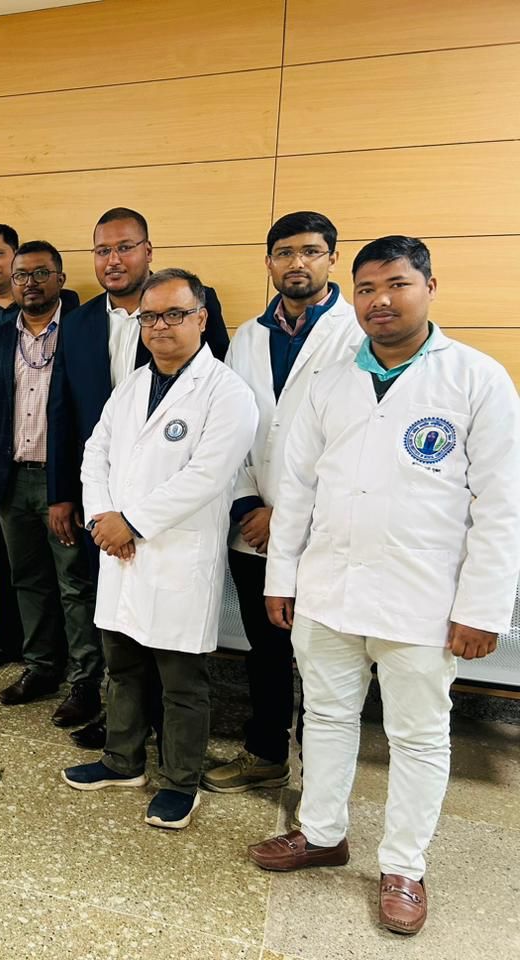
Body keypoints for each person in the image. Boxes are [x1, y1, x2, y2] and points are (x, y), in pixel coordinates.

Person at [251, 237, 520, 936]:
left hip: (423, 600)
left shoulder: (476, 378)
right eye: (367, 288)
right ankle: (321, 833)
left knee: (419, 736)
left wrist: (483, 607)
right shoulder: (329, 380)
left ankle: (404, 866)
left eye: (397, 284)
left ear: (429, 286)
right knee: (327, 716)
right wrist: (283, 577)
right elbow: (296, 491)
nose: (380, 301)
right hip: (328, 588)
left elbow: (501, 506)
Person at [61, 268, 257, 831]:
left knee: (181, 682)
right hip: (118, 548)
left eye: (175, 314)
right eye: (150, 316)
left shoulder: (227, 393)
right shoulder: (132, 385)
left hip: (176, 556)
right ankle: (122, 762)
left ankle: (179, 782)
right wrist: (103, 518)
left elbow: (207, 477)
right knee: (122, 666)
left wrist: (132, 523)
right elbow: (94, 453)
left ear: (201, 317)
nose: (161, 326)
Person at [49, 206, 231, 750]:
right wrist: (78, 500)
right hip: (104, 500)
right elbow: (69, 415)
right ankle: (118, 721)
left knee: (167, 639)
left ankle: (159, 731)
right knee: (114, 619)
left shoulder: (192, 309)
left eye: (125, 247)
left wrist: (135, 519)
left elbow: (208, 405)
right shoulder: (78, 320)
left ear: (148, 251)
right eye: (103, 250)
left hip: (169, 511)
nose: (113, 259)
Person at [203, 212, 361, 792]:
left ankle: (321, 781)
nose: (298, 263)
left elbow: (352, 440)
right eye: (285, 252)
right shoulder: (248, 336)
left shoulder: (357, 334)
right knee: (264, 649)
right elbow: (229, 426)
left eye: (311, 251)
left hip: (321, 527)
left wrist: (288, 515)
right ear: (268, 262)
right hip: (251, 521)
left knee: (323, 656)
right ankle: (265, 753)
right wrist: (249, 503)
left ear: (332, 259)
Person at [0, 241, 102, 727]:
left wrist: (71, 492)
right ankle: (42, 667)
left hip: (61, 482)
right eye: (22, 274)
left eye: (41, 273)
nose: (30, 283)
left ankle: (87, 681)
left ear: (60, 279)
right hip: (10, 481)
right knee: (27, 580)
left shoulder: (83, 332)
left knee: (74, 584)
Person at [0, 224, 79, 672]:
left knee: (71, 576)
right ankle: (16, 646)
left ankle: (75, 667)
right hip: (0, 465)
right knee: (11, 565)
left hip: (59, 468)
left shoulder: (74, 316)